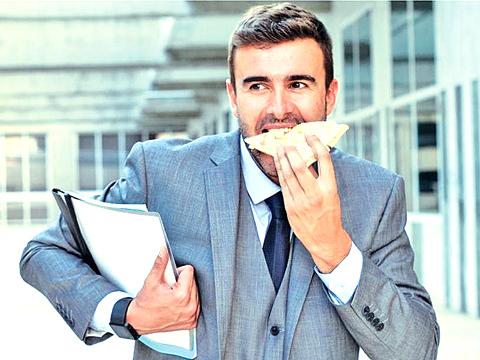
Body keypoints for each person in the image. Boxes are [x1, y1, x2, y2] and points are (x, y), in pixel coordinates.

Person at [20, 2, 439, 359]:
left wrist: (336, 252)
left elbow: (416, 349)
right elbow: (43, 251)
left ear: (330, 94)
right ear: (233, 96)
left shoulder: (377, 194)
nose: (279, 110)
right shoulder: (163, 173)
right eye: (257, 86)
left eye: (298, 84)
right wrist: (126, 312)